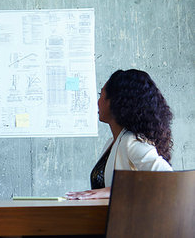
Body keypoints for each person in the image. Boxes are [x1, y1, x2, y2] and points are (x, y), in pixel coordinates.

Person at [65, 69, 173, 200]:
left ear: (114, 102)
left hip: (130, 220)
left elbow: (169, 180)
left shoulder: (131, 141)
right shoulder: (112, 142)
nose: (97, 102)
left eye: (101, 95)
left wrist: (114, 190)